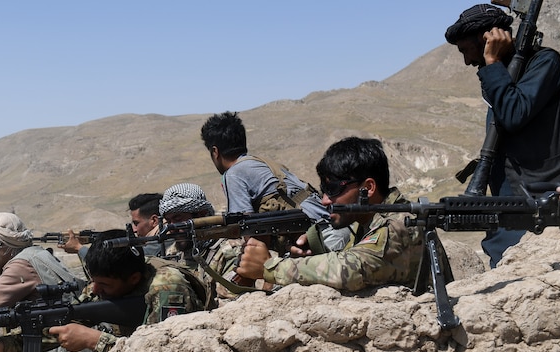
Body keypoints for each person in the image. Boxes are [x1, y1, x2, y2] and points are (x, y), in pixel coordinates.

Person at [445, 3, 560, 267]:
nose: (467, 61)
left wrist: (492, 62)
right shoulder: (501, 79)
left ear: (487, 41)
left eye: (466, 50)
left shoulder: (544, 61)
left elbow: (515, 113)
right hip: (523, 200)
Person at [0, 229, 205, 352]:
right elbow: (65, 320)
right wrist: (1, 346)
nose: (95, 290)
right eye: (94, 281)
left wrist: (94, 340)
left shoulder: (168, 288)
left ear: (134, 278)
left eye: (105, 286)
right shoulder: (105, 279)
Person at [235, 137, 423, 290]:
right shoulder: (366, 222)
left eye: (333, 189)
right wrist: (314, 251)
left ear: (368, 188)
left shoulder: (399, 225)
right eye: (323, 189)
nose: (325, 200)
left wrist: (271, 267)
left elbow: (349, 269)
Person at [200, 111, 350, 253]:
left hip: (322, 240)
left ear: (215, 152)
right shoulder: (265, 164)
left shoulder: (233, 174)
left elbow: (247, 228)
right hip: (339, 230)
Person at [157, 182, 247, 307]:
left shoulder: (228, 251)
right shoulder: (173, 252)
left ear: (202, 215)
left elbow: (230, 302)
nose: (172, 227)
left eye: (178, 219)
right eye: (169, 221)